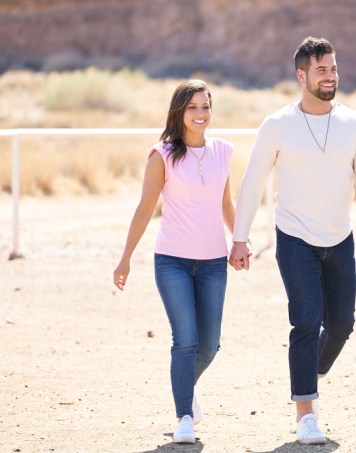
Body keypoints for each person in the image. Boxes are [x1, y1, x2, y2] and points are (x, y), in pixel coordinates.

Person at [229, 36, 356, 445]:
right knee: (306, 318)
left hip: (340, 237)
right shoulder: (277, 125)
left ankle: (307, 374)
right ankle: (306, 414)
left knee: (342, 324)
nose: (330, 76)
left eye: (333, 68)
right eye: (321, 70)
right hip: (294, 237)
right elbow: (252, 182)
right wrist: (239, 238)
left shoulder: (355, 123)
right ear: (301, 76)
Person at [113, 79, 241, 444]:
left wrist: (240, 242)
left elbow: (225, 204)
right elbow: (144, 209)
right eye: (193, 108)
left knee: (209, 345)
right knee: (185, 340)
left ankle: (186, 386)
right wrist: (125, 259)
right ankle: (184, 415)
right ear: (179, 112)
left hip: (214, 262)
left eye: (205, 107)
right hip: (173, 262)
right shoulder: (162, 155)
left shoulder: (223, 152)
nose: (200, 114)